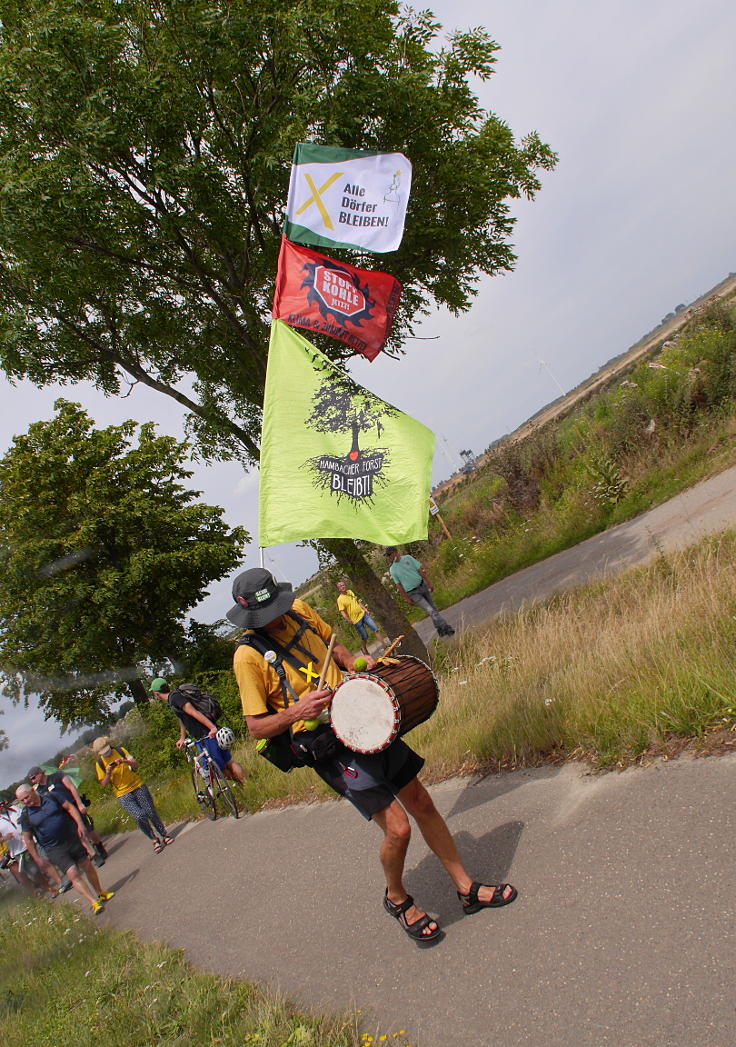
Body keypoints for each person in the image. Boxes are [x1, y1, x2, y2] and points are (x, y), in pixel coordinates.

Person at [228, 567, 515, 945]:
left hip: (359, 717)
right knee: (398, 827)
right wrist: (298, 711)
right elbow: (256, 727)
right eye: (266, 616)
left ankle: (466, 888)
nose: (276, 619)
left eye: (276, 609)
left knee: (421, 803)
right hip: (325, 745)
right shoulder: (247, 657)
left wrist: (354, 665)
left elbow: (336, 646)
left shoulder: (299, 609)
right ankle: (397, 898)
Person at [15, 783, 115, 914]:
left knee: (86, 865)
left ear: (33, 791)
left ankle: (100, 892)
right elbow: (27, 838)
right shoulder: (26, 815)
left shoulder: (51, 797)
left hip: (71, 837)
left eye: (26, 797)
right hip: (54, 848)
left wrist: (80, 824)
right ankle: (93, 902)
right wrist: (37, 858)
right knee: (72, 872)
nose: (25, 801)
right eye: (22, 800)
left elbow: (70, 808)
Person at [148, 678, 245, 786]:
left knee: (219, 770)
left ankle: (243, 783)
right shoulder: (175, 697)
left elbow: (194, 712)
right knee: (227, 762)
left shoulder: (175, 698)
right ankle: (246, 783)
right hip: (208, 734)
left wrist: (212, 728)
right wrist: (182, 737)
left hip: (206, 736)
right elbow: (183, 719)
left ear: (156, 694)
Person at [92, 736, 173, 854]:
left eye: (107, 750)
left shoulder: (120, 751)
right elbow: (103, 783)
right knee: (139, 816)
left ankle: (164, 834)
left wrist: (124, 761)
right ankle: (153, 838)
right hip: (122, 794)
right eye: (104, 753)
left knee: (150, 811)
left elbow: (135, 764)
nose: (107, 753)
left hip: (137, 786)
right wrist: (108, 772)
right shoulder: (99, 763)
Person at [27, 764, 107, 867]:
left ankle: (99, 846)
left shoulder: (57, 776)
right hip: (62, 813)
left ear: (40, 773)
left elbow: (71, 787)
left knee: (89, 829)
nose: (33, 781)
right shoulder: (40, 791)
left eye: (34, 778)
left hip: (74, 805)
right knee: (79, 834)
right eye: (31, 780)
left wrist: (79, 803)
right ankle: (94, 855)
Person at [386, 547, 455, 638]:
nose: (388, 557)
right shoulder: (393, 569)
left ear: (395, 552)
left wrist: (429, 583)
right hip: (413, 593)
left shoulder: (408, 558)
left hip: (422, 586)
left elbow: (420, 570)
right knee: (430, 610)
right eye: (387, 556)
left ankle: (439, 629)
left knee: (433, 609)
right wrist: (407, 599)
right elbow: (399, 585)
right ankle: (446, 628)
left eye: (389, 554)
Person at [0, 794, 58, 897]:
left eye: (2, 804)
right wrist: (4, 838)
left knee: (45, 861)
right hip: (18, 850)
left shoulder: (14, 809)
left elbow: (26, 817)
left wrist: (23, 821)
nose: (1, 806)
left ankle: (59, 883)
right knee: (33, 871)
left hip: (31, 841)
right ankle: (46, 888)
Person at [335, 579, 388, 656]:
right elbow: (342, 611)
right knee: (365, 636)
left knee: (375, 629)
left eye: (343, 585)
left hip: (363, 615)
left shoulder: (350, 592)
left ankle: (385, 646)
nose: (342, 587)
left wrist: (365, 609)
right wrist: (348, 620)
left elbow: (357, 602)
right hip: (356, 620)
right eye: (340, 586)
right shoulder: (340, 599)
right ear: (338, 589)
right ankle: (363, 648)